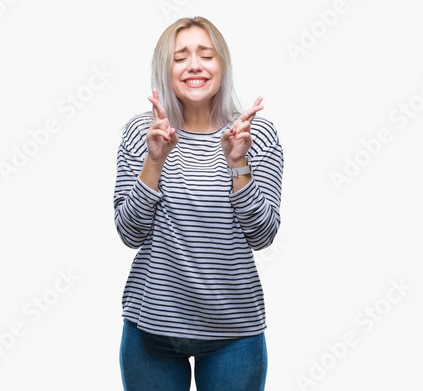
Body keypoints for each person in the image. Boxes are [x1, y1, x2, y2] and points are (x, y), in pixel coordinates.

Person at [114, 16, 284, 391]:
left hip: (235, 332)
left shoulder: (257, 134)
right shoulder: (141, 133)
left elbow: (263, 235)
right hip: (151, 330)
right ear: (165, 69)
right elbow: (129, 233)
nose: (194, 65)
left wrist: (238, 163)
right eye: (180, 57)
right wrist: (153, 160)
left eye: (206, 55)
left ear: (221, 65)